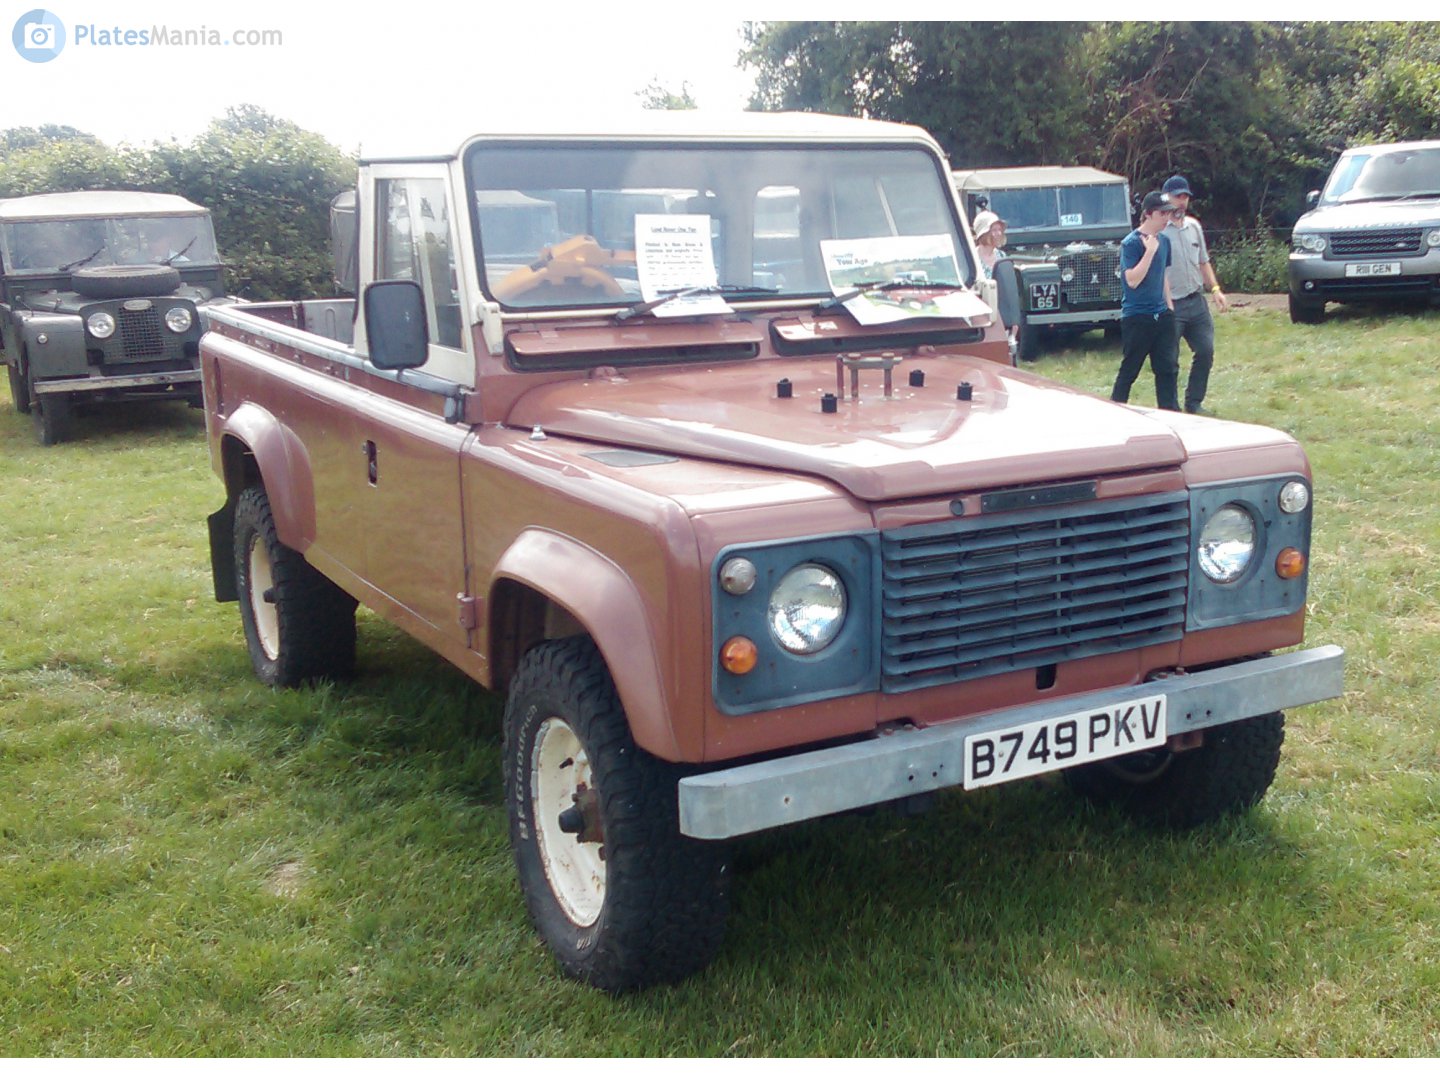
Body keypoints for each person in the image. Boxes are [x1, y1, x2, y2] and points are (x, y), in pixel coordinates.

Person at [1161, 175, 1229, 415]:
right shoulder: (1159, 232)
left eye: (1185, 197)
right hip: (1172, 305)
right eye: (1177, 196)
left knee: (1206, 350)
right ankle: (1170, 409)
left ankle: (1194, 403)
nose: (1182, 202)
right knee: (1169, 360)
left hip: (1196, 301)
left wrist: (1216, 290)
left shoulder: (1194, 227)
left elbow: (1204, 262)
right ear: (1166, 198)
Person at [1110, 191, 1179, 411]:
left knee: (1168, 369)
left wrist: (1170, 309)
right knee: (1130, 369)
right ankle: (1115, 411)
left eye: (1169, 213)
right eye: (1162, 213)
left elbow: (1163, 277)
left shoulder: (1165, 241)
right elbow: (1131, 280)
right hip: (1138, 318)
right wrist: (1148, 252)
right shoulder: (1131, 244)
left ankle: (1171, 413)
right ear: (1149, 214)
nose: (1167, 218)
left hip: (1162, 316)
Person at [971, 209, 1007, 280]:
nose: (999, 233)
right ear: (984, 234)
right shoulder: (972, 258)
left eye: (1000, 229)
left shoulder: (1002, 256)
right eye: (994, 230)